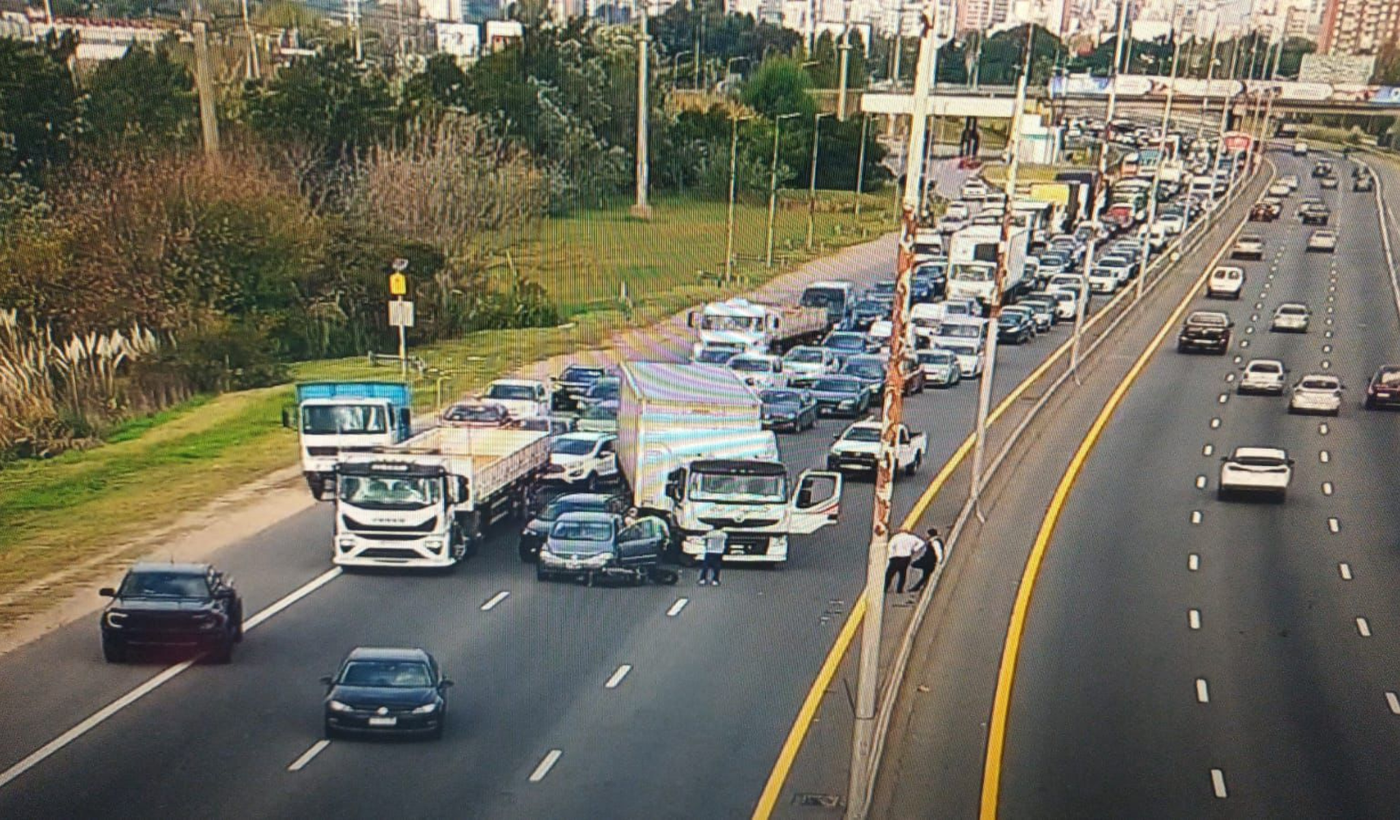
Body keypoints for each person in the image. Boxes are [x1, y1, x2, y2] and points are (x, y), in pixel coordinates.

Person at [885, 529, 923, 594]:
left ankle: (885, 588)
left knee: (889, 574)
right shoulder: (911, 537)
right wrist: (914, 550)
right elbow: (921, 543)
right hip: (906, 557)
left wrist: (891, 555)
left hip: (896, 557)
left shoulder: (896, 537)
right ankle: (899, 589)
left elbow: (890, 546)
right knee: (903, 574)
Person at [909, 527, 945, 593]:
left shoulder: (935, 542)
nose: (926, 535)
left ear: (930, 535)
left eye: (927, 534)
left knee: (924, 573)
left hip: (929, 561)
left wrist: (940, 561)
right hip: (927, 560)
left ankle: (916, 588)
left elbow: (938, 551)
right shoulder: (933, 541)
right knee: (925, 575)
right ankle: (917, 587)